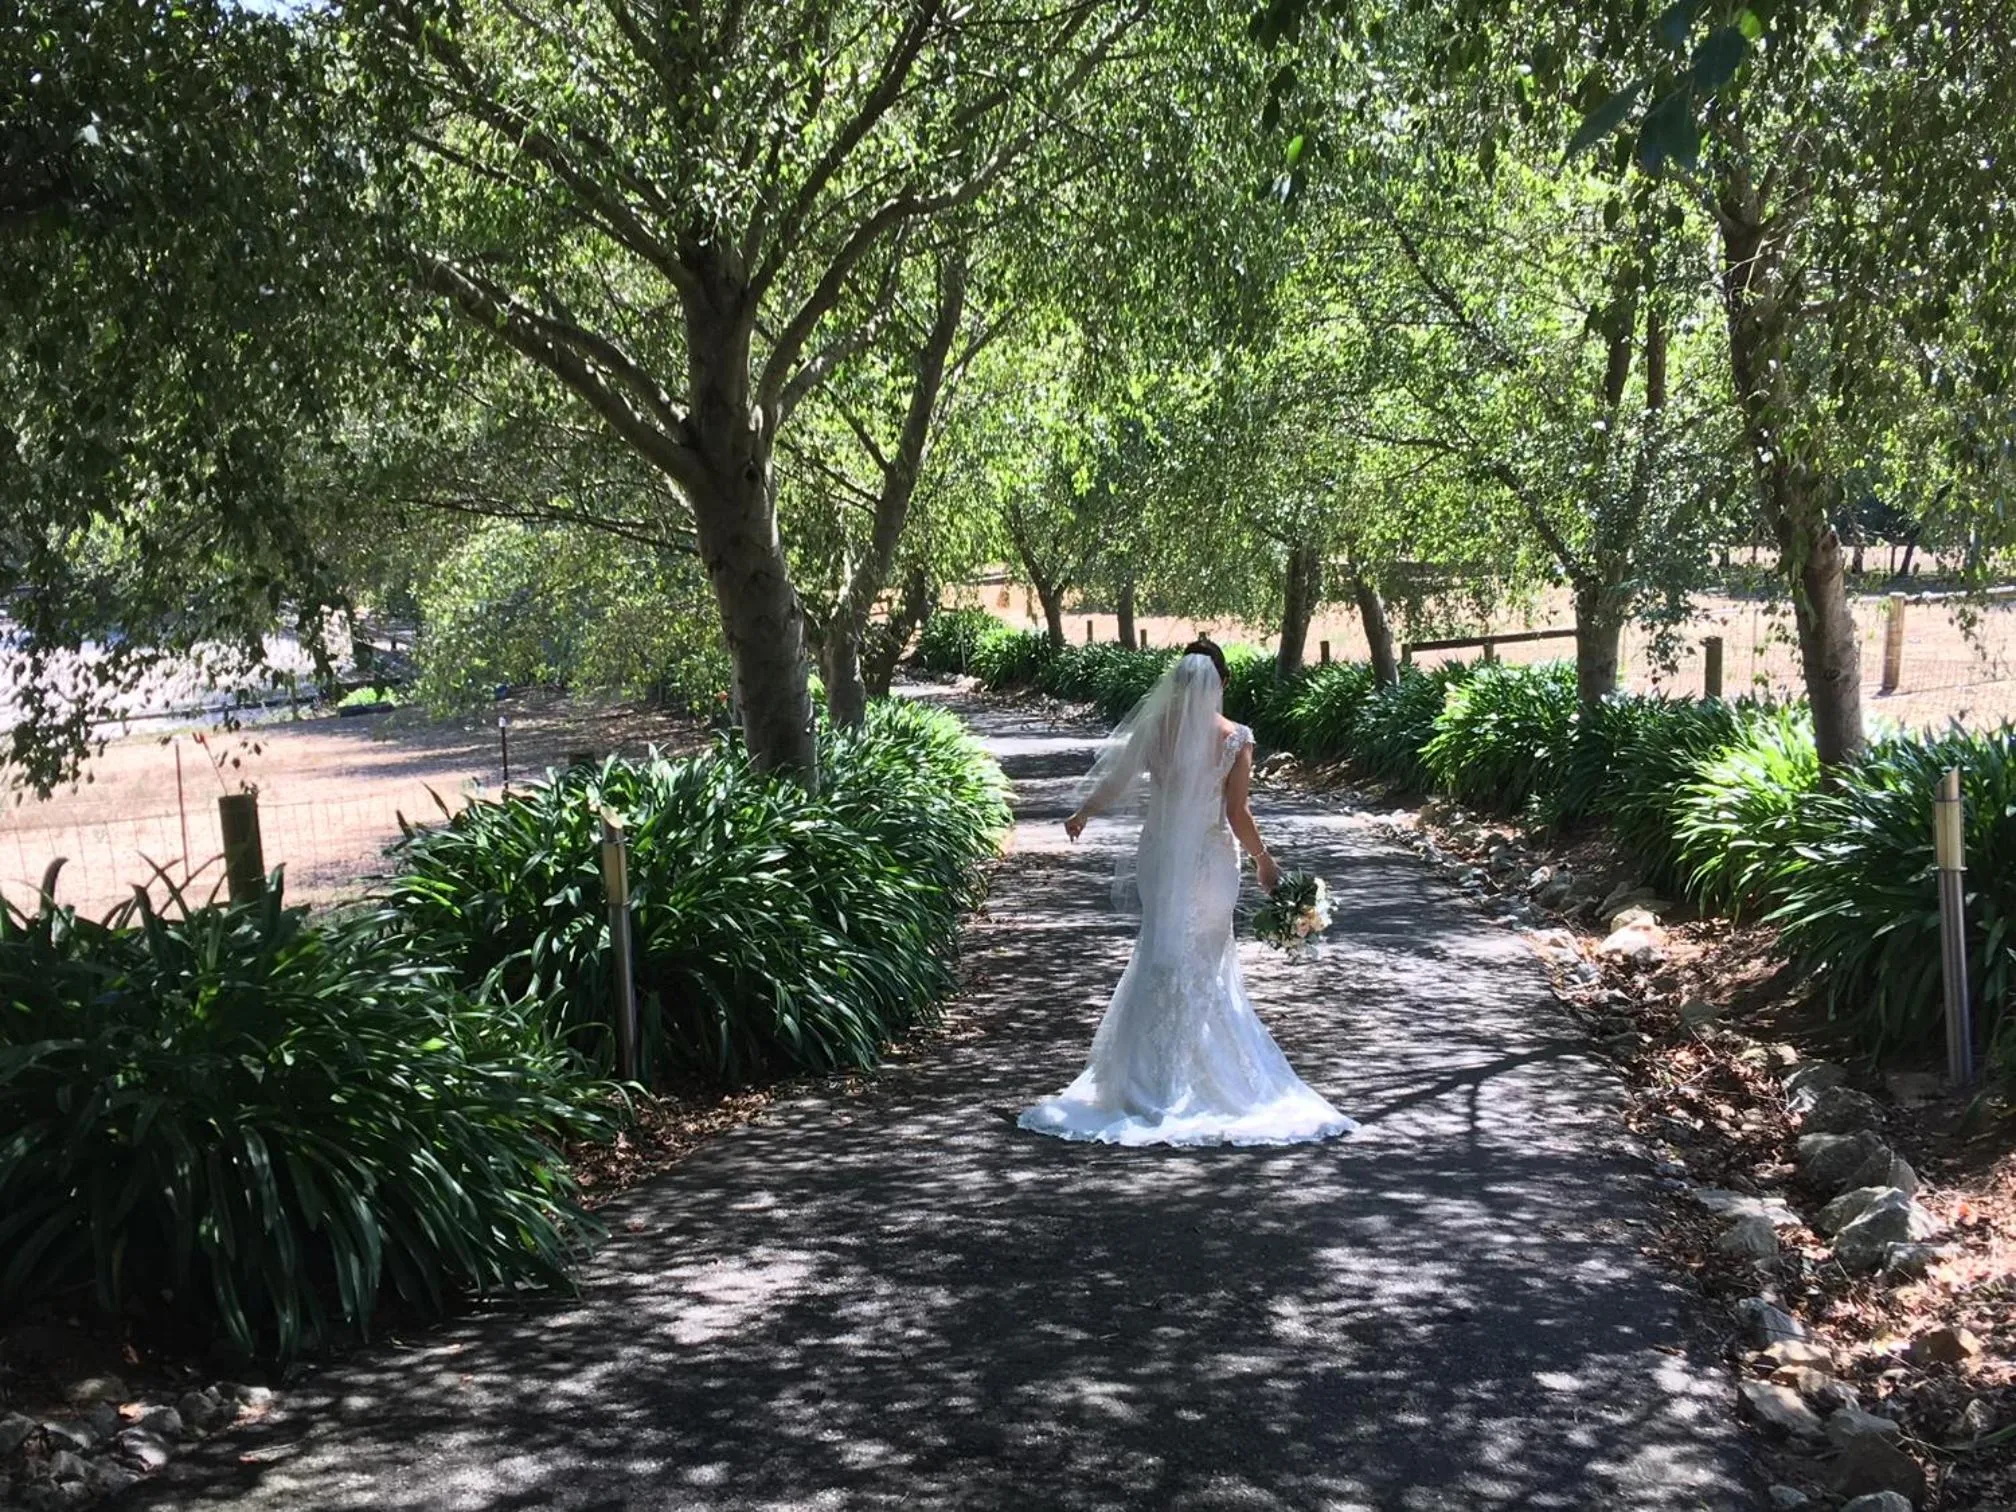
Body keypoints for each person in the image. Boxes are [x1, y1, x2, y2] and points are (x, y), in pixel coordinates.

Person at [1018, 638, 1356, 1147]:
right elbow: (1238, 814)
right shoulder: (1235, 738)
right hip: (1211, 860)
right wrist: (1265, 860)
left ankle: (1144, 1076)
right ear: (1221, 681)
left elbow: (1119, 778)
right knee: (1206, 960)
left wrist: (1084, 811)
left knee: (1160, 950)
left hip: (1157, 854)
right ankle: (1203, 1074)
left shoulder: (1156, 728)